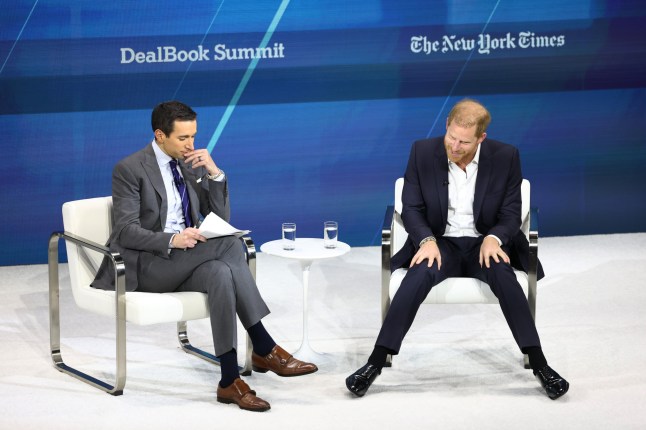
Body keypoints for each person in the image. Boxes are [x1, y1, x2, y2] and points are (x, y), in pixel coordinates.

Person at [92, 100, 317, 412]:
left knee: (220, 272)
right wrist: (173, 238)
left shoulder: (189, 164)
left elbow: (220, 219)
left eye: (194, 137)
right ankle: (264, 345)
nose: (191, 145)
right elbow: (126, 231)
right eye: (183, 138)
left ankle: (228, 381)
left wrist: (215, 173)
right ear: (160, 135)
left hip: (187, 259)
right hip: (149, 264)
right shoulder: (129, 169)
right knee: (229, 246)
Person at [345, 98, 569, 400]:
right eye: (451, 137)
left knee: (506, 279)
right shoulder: (421, 152)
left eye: (464, 142)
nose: (454, 146)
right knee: (416, 277)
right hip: (440, 243)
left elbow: (512, 212)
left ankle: (540, 365)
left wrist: (496, 237)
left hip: (483, 242)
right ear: (446, 127)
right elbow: (410, 207)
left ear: (481, 138)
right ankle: (374, 364)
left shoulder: (506, 157)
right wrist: (425, 240)